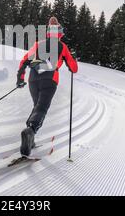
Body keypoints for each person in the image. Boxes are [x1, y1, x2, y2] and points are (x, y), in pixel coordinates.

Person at [16, 17, 78, 157]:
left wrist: (20, 78)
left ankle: (30, 136)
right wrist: (73, 58)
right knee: (42, 108)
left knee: (37, 106)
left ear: (48, 32)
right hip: (50, 80)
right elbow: (74, 69)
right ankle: (30, 131)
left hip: (33, 79)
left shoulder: (39, 44)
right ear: (60, 33)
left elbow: (25, 60)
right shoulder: (63, 47)